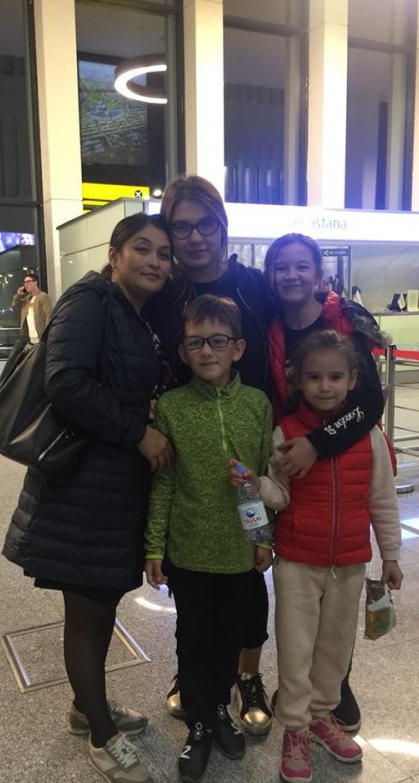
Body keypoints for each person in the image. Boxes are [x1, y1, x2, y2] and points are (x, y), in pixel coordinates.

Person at [2, 213, 174, 783]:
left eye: (164, 254)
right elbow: (66, 383)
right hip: (82, 485)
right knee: (88, 609)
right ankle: (101, 735)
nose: (155, 261)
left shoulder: (130, 311)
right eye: (142, 248)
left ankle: (87, 705)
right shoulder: (90, 299)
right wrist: (138, 432)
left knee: (102, 603)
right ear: (115, 254)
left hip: (111, 485)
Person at [231, 329, 403, 783]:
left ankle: (323, 716)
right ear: (299, 381)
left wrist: (391, 555)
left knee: (334, 647)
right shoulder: (287, 432)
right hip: (297, 563)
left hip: (349, 562)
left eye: (335, 377)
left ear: (352, 380)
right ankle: (295, 728)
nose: (325, 386)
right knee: (297, 647)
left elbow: (383, 499)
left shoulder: (368, 436)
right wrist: (256, 485)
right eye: (314, 377)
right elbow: (281, 494)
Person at [143, 175, 276, 736]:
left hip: (250, 430)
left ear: (222, 227)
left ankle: (247, 676)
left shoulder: (253, 286)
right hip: (181, 435)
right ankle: (197, 675)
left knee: (248, 585)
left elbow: (297, 330)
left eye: (205, 225)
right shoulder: (164, 293)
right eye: (181, 227)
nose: (194, 237)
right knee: (196, 596)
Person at [263, 231, 392, 731]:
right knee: (300, 608)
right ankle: (301, 694)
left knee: (338, 609)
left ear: (318, 273)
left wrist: (318, 444)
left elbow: (369, 402)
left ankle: (333, 690)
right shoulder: (272, 326)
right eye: (281, 267)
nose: (291, 276)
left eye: (301, 266)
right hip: (294, 466)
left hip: (337, 454)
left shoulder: (345, 320)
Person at [12, 272, 53, 344]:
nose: (26, 284)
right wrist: (18, 295)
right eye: (25, 283)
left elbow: (49, 315)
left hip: (41, 336)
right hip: (30, 337)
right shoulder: (27, 298)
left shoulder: (43, 296)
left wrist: (47, 334)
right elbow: (15, 306)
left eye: (28, 281)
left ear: (35, 283)